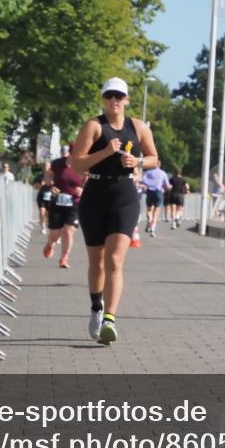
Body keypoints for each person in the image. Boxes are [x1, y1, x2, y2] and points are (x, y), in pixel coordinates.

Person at [70, 77, 158, 345]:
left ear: (127, 100)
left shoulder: (138, 127)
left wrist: (139, 161)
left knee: (115, 261)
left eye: (119, 96)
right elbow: (76, 164)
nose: (114, 101)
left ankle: (110, 319)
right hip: (95, 196)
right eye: (109, 96)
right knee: (97, 262)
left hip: (125, 196)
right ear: (103, 99)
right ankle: (97, 306)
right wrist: (106, 152)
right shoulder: (94, 126)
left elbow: (155, 159)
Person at [43, 144, 84, 269]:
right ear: (70, 153)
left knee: (68, 231)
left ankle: (64, 258)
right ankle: (51, 243)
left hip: (74, 202)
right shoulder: (58, 163)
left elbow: (90, 179)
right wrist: (50, 185)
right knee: (55, 233)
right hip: (57, 201)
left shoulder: (83, 165)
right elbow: (48, 174)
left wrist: (82, 189)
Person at [140, 165, 170, 237]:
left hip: (149, 192)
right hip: (158, 192)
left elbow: (143, 181)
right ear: (160, 165)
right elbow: (167, 185)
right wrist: (164, 188)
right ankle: (153, 230)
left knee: (149, 209)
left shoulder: (148, 172)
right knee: (156, 212)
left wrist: (149, 184)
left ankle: (149, 220)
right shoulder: (163, 173)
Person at [37, 170, 54, 234]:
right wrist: (41, 184)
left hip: (50, 200)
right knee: (42, 212)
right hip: (42, 199)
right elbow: (36, 184)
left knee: (48, 215)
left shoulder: (54, 175)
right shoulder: (41, 175)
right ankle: (42, 228)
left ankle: (47, 224)